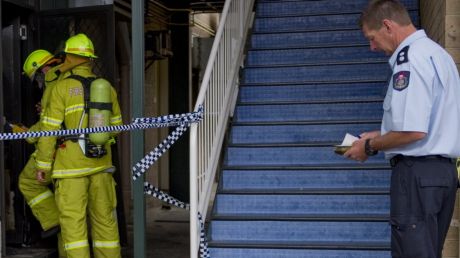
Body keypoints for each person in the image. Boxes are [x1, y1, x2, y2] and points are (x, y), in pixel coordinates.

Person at [344, 0, 460, 257]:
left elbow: (413, 131)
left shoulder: (409, 59)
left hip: (416, 176)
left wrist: (368, 146)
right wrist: (381, 133)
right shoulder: (439, 54)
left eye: (372, 38)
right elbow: (430, 121)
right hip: (442, 176)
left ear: (387, 26)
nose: (372, 47)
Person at [35, 33, 122, 258]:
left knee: (74, 228)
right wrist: (98, 142)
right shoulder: (107, 88)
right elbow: (117, 128)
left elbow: (49, 131)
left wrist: (43, 165)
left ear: (70, 58)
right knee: (105, 223)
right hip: (101, 166)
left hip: (70, 169)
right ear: (89, 59)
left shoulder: (60, 88)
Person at [20, 49, 63, 237]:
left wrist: (29, 134)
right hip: (70, 149)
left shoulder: (53, 85)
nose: (38, 83)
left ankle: (54, 221)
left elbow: (50, 125)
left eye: (37, 78)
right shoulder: (65, 79)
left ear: (43, 69)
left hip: (56, 148)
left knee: (28, 181)